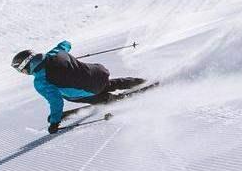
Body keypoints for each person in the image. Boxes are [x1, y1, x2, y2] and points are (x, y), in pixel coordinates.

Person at [12, 41, 146, 133]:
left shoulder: (41, 82)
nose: (24, 73)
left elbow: (56, 101)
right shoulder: (55, 52)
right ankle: (140, 81)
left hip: (92, 89)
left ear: (28, 65)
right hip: (100, 73)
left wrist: (54, 122)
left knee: (67, 95)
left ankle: (107, 99)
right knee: (107, 83)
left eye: (22, 70)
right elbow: (66, 43)